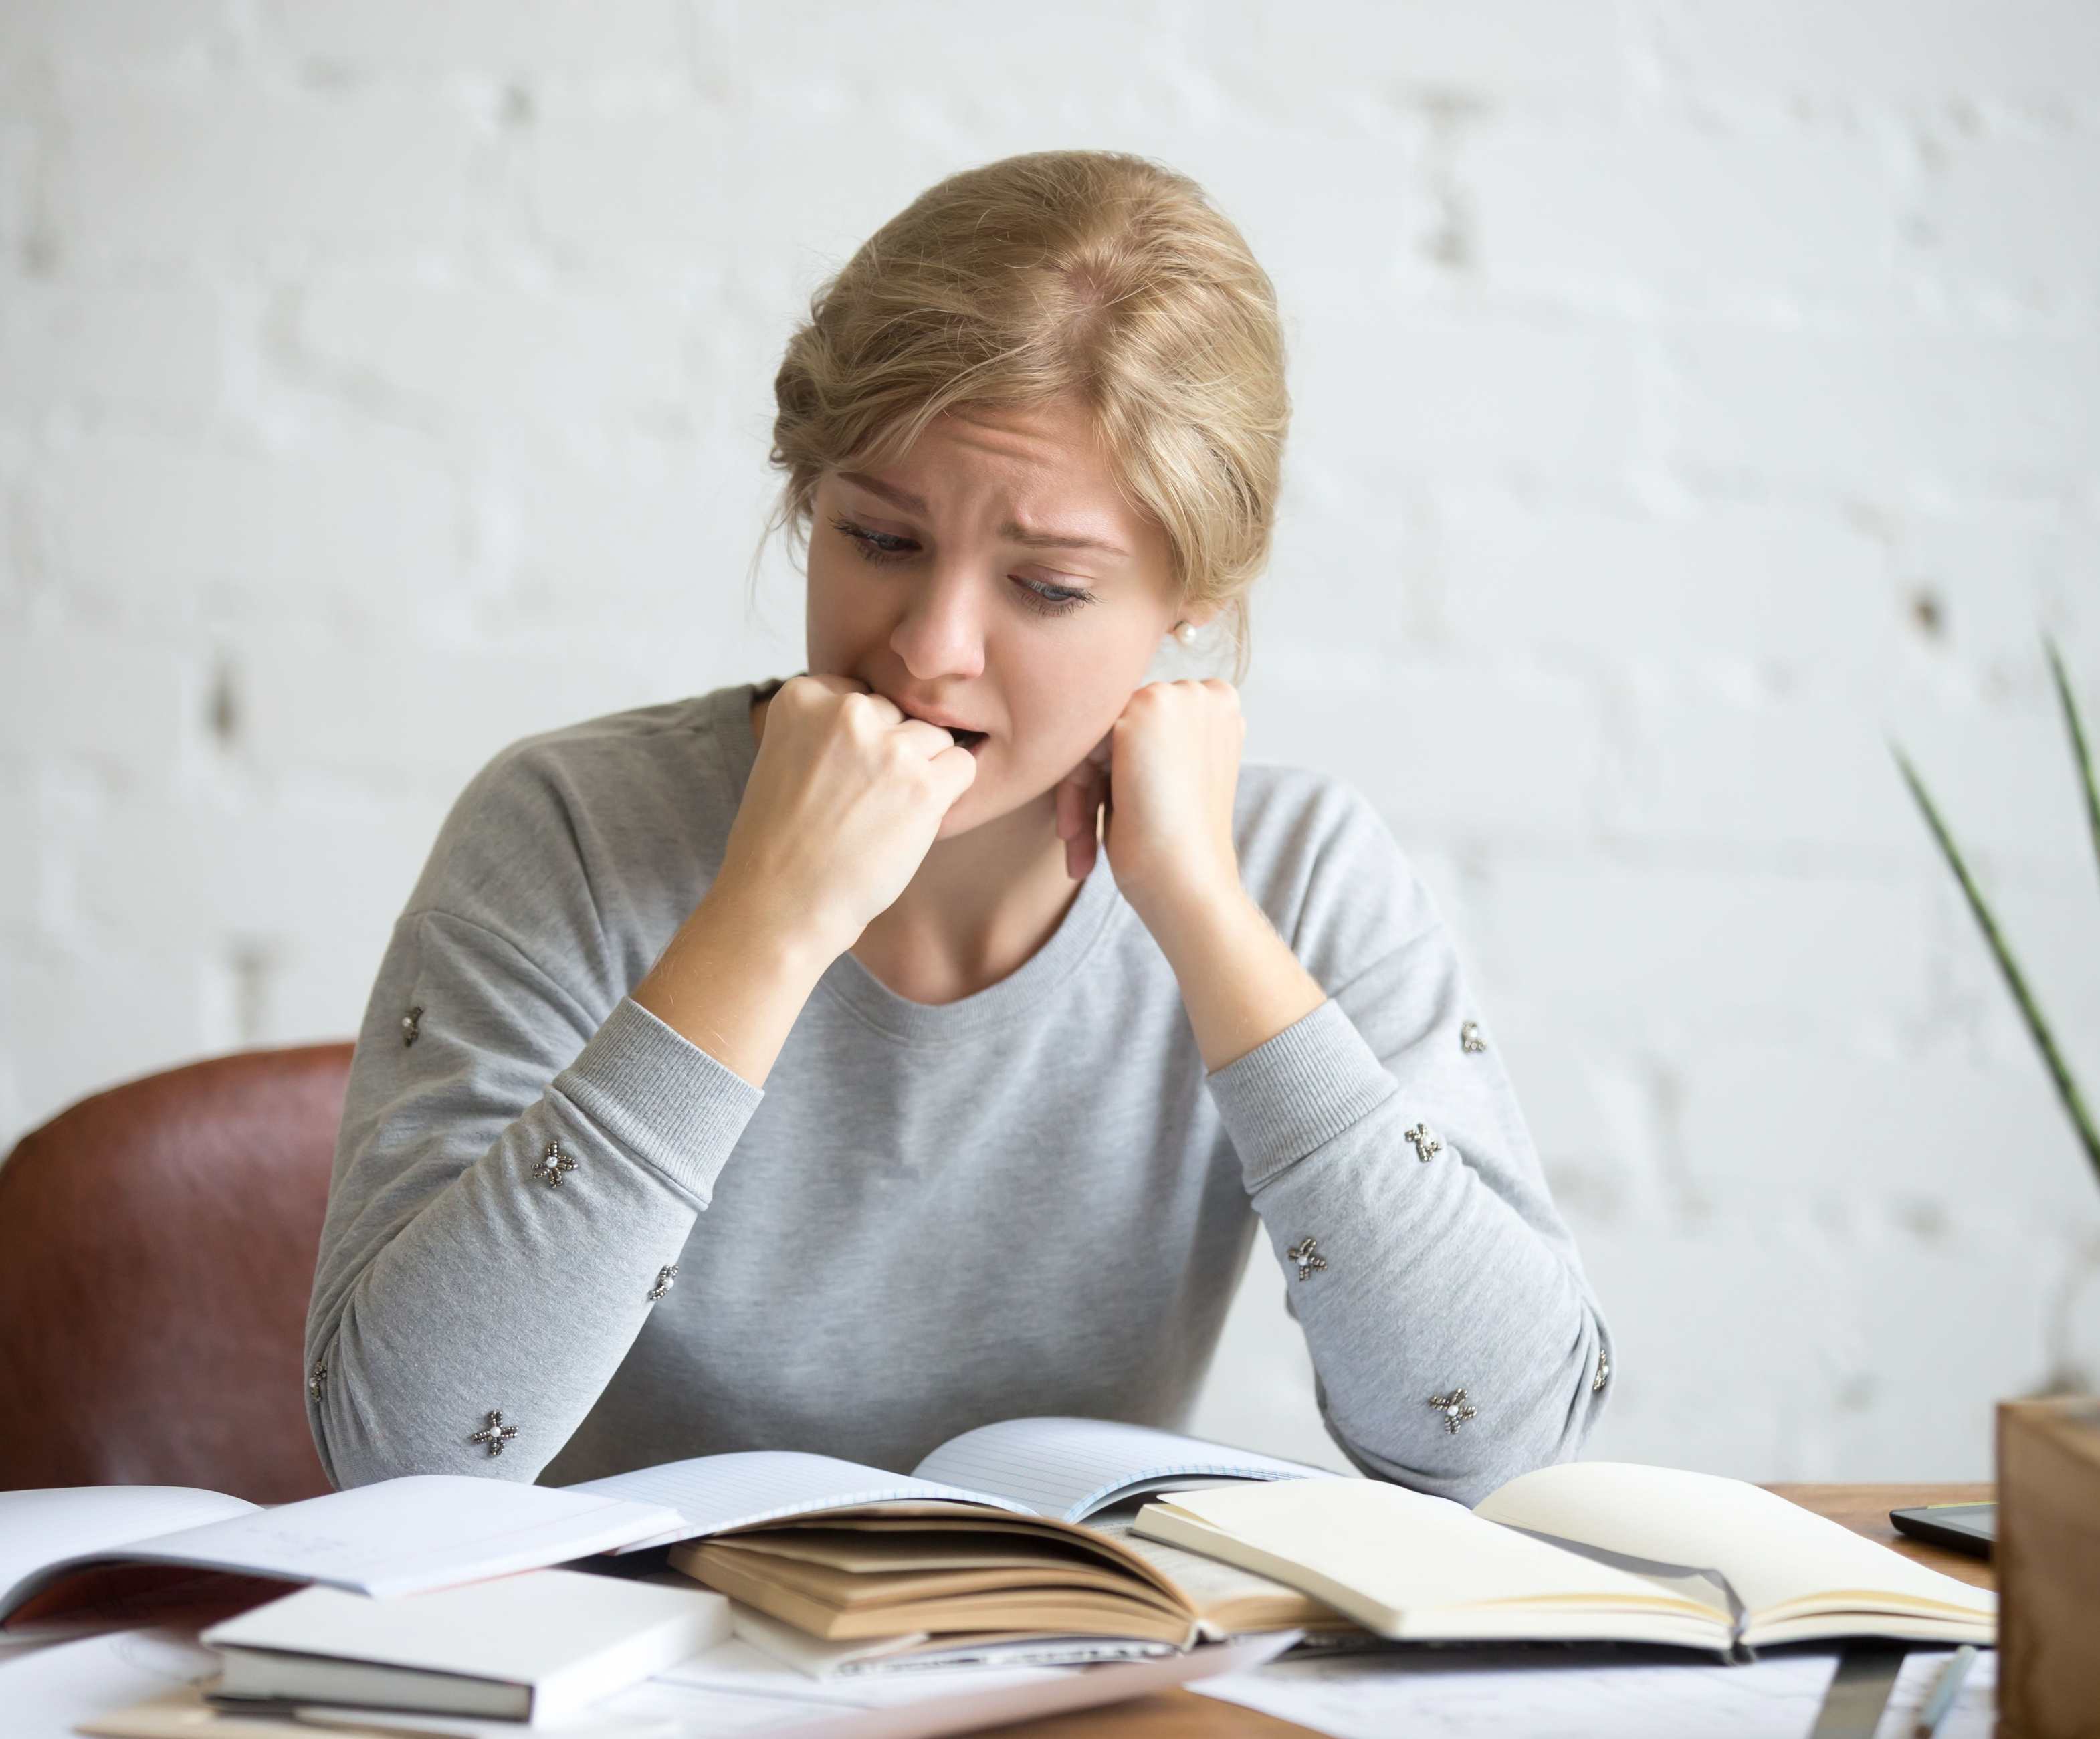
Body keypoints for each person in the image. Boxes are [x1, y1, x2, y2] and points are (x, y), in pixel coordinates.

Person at [306, 151, 1610, 1506]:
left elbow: (1496, 1435)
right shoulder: (573, 829)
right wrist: (764, 921)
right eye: (877, 539)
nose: (928, 651)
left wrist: (1209, 924)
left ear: (1195, 594)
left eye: (1045, 586)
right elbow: (399, 1447)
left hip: (1072, 1680)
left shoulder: (1297, 874)